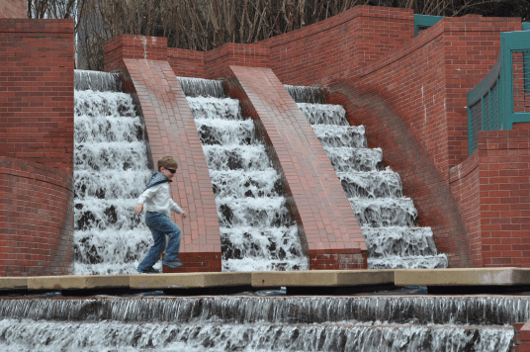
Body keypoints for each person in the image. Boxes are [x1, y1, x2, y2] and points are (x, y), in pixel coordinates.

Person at [134, 156, 187, 273]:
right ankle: (170, 258)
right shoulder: (158, 182)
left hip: (152, 217)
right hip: (156, 216)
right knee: (175, 231)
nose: (173, 174)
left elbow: (168, 201)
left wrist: (179, 210)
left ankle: (144, 267)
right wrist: (139, 204)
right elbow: (145, 194)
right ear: (162, 169)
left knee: (160, 244)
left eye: (175, 171)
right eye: (171, 171)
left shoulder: (163, 183)